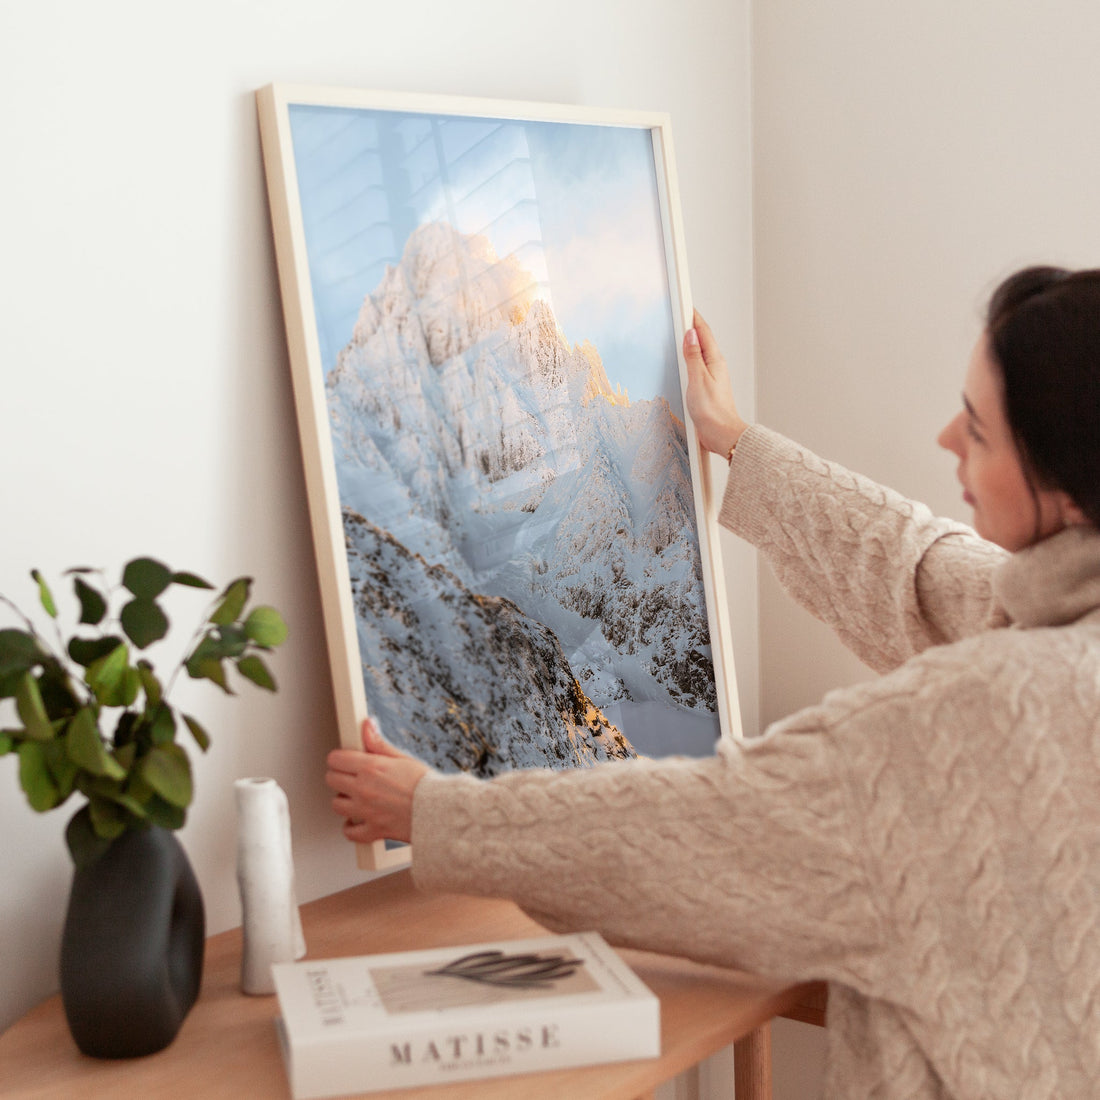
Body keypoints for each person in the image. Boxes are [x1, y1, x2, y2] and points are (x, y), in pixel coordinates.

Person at [325, 266, 1100, 1099]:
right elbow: (919, 571)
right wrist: (735, 441)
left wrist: (435, 813)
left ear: (1066, 489)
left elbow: (702, 829)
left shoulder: (977, 718)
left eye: (979, 431)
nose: (948, 438)